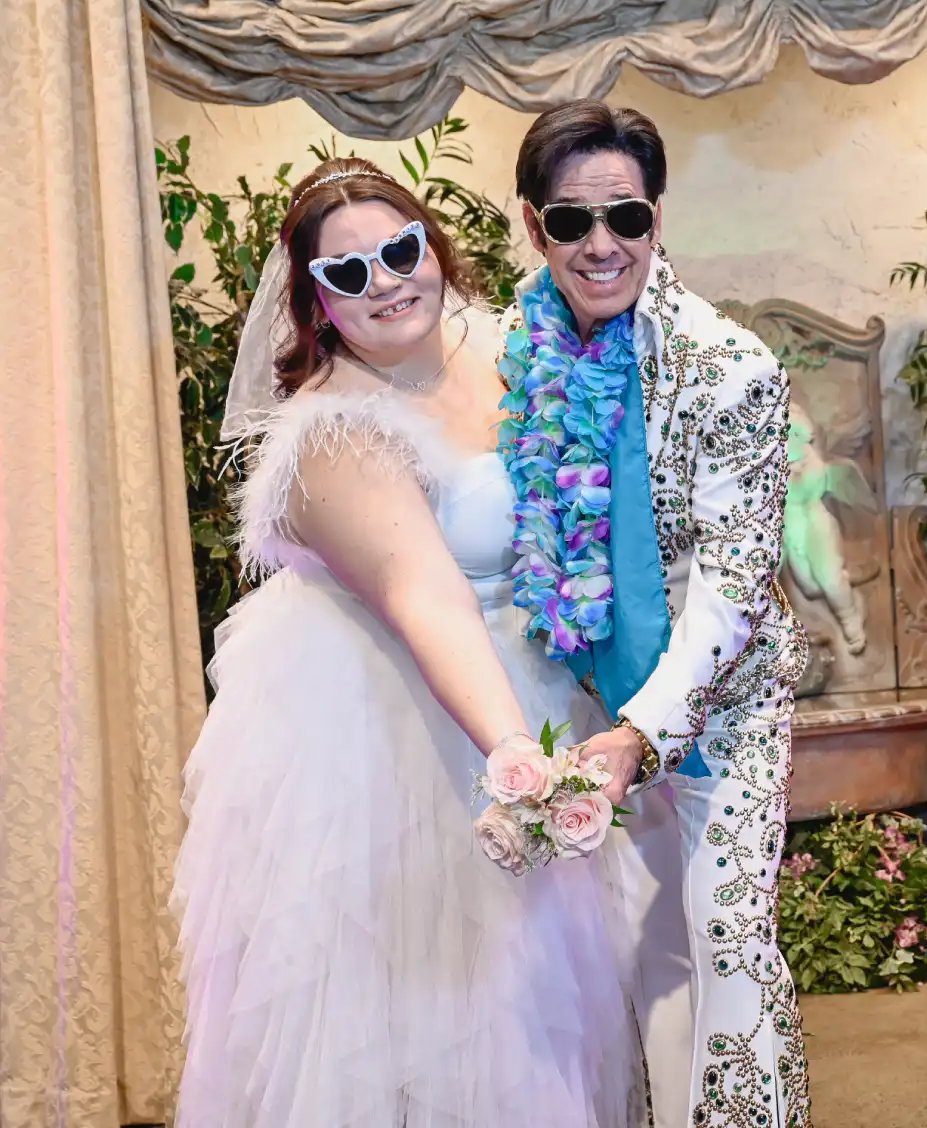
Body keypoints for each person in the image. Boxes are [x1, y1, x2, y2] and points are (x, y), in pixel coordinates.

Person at [170, 157, 639, 1127]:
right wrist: (519, 760)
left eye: (398, 251)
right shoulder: (332, 437)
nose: (384, 281)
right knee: (443, 1019)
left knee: (554, 1004)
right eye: (347, 274)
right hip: (395, 735)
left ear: (433, 246)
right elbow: (428, 598)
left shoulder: (510, 340)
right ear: (314, 302)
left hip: (532, 672)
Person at [498, 100, 811, 1128]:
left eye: (624, 219)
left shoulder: (731, 369)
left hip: (718, 705)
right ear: (533, 227)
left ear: (657, 218)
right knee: (629, 951)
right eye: (569, 222)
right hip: (580, 692)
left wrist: (644, 733)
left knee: (722, 939)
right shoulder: (510, 346)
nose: (600, 246)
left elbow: (733, 583)